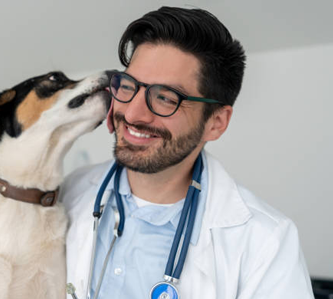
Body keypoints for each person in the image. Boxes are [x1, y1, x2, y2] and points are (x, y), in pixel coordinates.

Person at [60, 6, 314, 299]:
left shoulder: (266, 243)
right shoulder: (70, 192)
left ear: (216, 123)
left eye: (166, 98)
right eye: (128, 86)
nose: (133, 113)